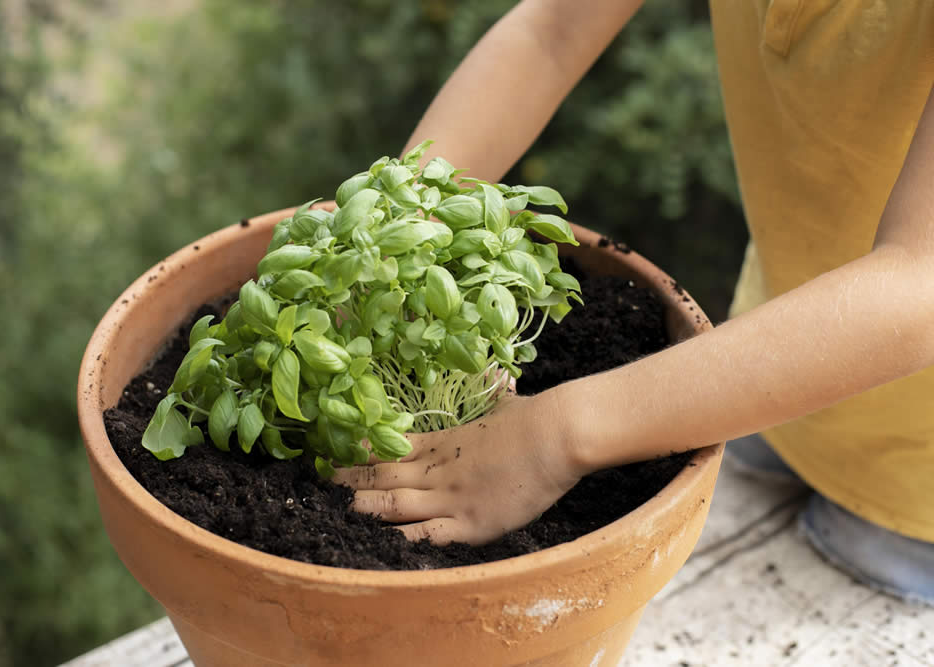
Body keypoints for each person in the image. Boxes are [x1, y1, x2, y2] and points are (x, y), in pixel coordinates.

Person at [333, 0, 934, 604]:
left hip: (918, 488)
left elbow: (920, 284)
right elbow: (554, 29)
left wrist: (553, 435)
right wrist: (395, 223)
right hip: (782, 355)